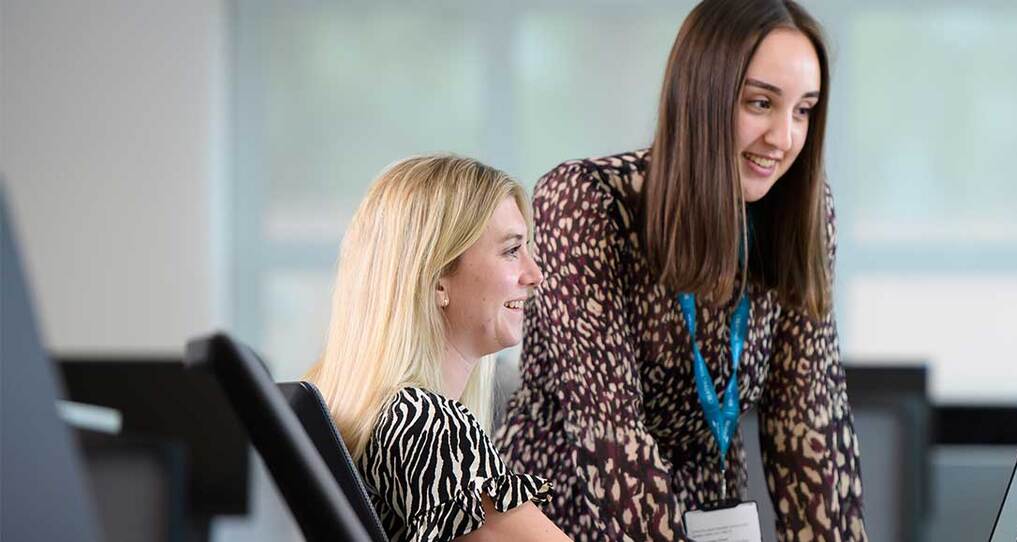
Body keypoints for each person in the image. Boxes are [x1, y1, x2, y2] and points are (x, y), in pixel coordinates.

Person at [494, 1, 865, 539]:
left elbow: (809, 425)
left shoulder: (795, 209)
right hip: (566, 520)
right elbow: (612, 439)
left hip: (713, 517)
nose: (784, 138)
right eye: (761, 103)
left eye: (803, 110)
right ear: (701, 97)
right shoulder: (586, 201)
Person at [306, 155, 572, 542]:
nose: (535, 275)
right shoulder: (426, 424)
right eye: (512, 250)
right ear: (436, 280)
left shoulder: (370, 411)